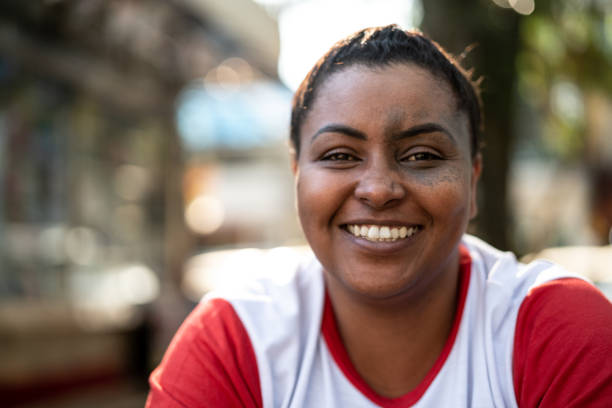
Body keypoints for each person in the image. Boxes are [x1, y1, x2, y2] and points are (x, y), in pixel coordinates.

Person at [146, 25, 612, 407]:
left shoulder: (560, 334)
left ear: (473, 181)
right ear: (297, 177)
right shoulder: (236, 343)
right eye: (340, 155)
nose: (378, 189)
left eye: (422, 155)